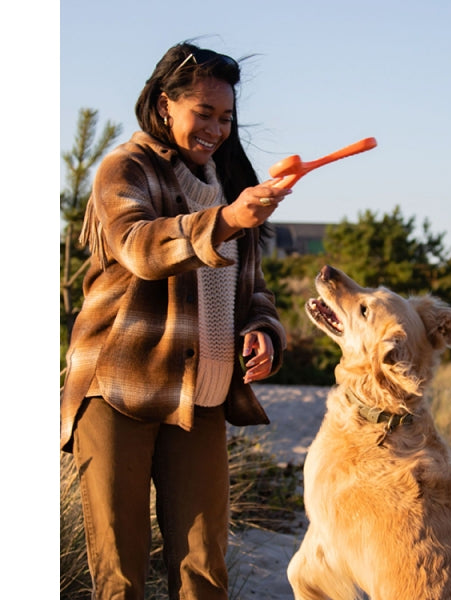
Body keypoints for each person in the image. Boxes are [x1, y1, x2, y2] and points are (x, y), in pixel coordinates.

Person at [60, 40, 291, 599]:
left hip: (202, 395)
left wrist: (263, 332)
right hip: (119, 389)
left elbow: (253, 289)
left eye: (226, 117)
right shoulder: (125, 167)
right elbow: (140, 249)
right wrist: (228, 220)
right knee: (121, 576)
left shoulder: (233, 185)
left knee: (205, 573)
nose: (216, 127)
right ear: (166, 105)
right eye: (203, 113)